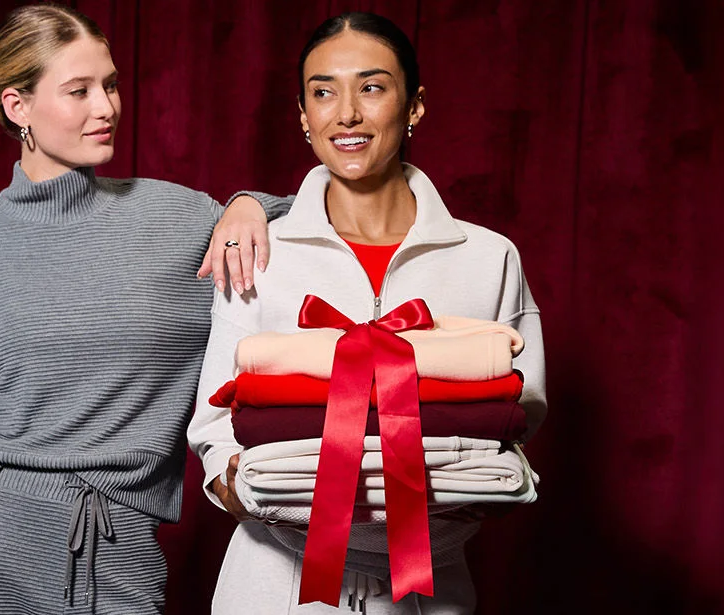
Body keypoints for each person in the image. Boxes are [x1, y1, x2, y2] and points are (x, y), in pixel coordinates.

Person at [0, 5, 289, 613]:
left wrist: (249, 204)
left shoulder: (177, 219)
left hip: (116, 548)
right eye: (79, 91)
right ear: (17, 107)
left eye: (111, 84)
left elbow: (319, 222)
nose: (108, 107)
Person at [189, 12, 546, 614]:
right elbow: (215, 423)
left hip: (429, 585)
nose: (346, 113)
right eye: (323, 92)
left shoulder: (487, 256)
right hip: (275, 583)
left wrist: (463, 489)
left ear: (415, 106)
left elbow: (518, 410)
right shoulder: (259, 251)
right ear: (303, 115)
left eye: (372, 88)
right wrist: (244, 487)